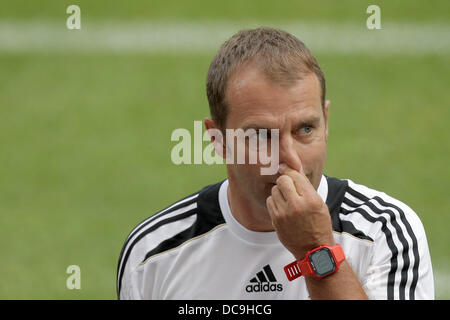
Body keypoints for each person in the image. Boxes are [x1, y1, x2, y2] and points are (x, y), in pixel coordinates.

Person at [117, 27, 434, 299]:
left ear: (326, 121)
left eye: (305, 129)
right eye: (261, 136)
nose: (290, 160)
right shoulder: (153, 254)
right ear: (218, 140)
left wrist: (315, 249)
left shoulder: (386, 232)